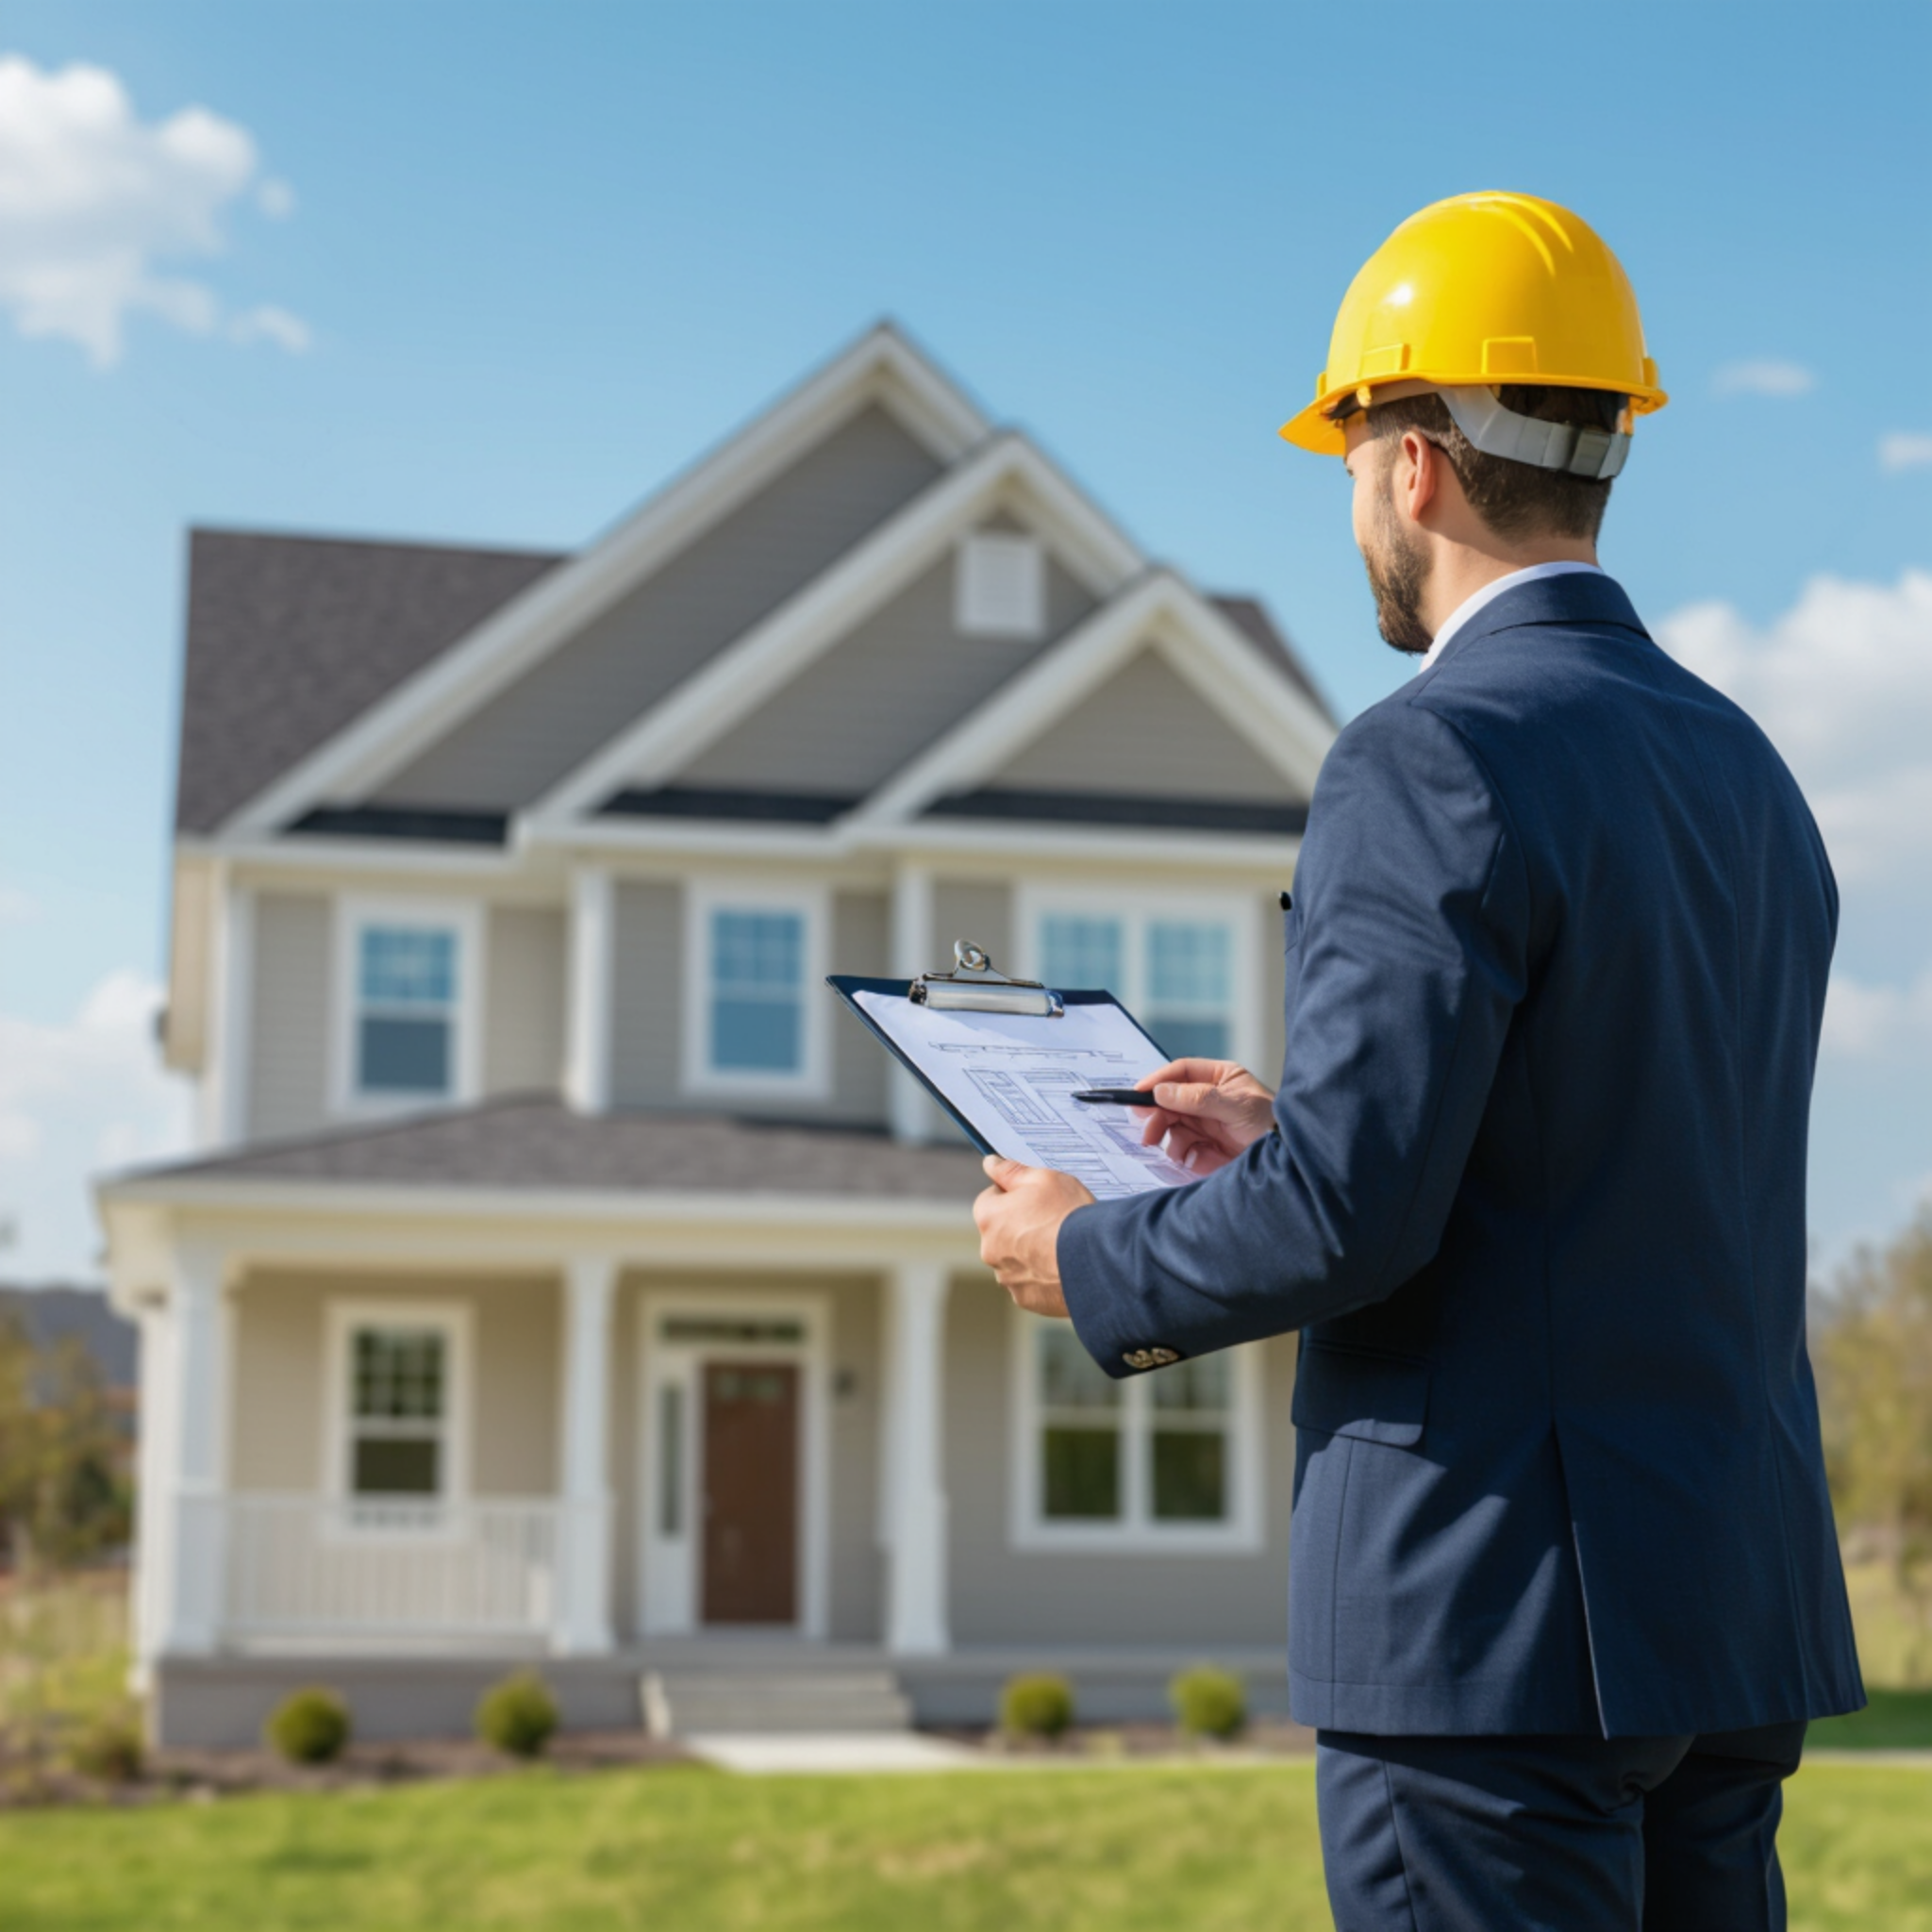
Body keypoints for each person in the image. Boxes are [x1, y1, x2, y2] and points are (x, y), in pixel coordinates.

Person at [973, 191, 1863, 1932]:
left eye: (1353, 446)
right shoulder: (1748, 773)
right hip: (1718, 1617)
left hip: (1486, 1636)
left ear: (1415, 463)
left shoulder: (1429, 754)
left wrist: (1082, 1253)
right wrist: (1288, 1124)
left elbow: (1354, 1221)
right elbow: (1609, 1148)